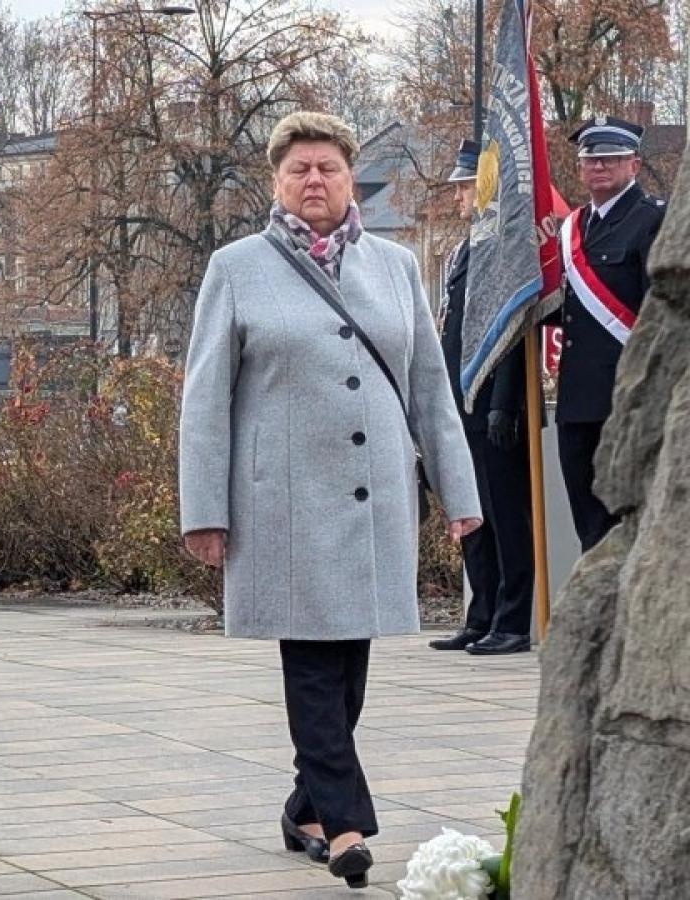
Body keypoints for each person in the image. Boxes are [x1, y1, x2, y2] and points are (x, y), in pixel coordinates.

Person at [178, 111, 481, 891]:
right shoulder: (237, 267)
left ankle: (302, 805)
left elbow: (429, 390)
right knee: (312, 663)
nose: (314, 181)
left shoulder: (393, 267)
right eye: (298, 170)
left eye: (328, 169)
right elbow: (205, 398)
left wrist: (460, 492)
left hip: (374, 498)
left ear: (352, 180)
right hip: (281, 505)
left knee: (350, 666)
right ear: (276, 183)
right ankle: (345, 825)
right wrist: (204, 510)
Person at [429, 139, 536, 656]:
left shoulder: (504, 248)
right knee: (473, 513)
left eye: (467, 186)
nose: (459, 198)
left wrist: (504, 402)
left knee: (505, 514)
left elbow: (512, 331)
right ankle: (483, 613)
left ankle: (514, 619)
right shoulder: (467, 245)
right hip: (460, 401)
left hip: (493, 403)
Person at [554, 115, 666, 552]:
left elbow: (660, 315)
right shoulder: (572, 229)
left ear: (634, 165)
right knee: (590, 529)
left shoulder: (653, 220)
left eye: (610, 159)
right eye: (591, 160)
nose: (598, 167)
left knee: (630, 527)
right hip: (577, 400)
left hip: (628, 398)